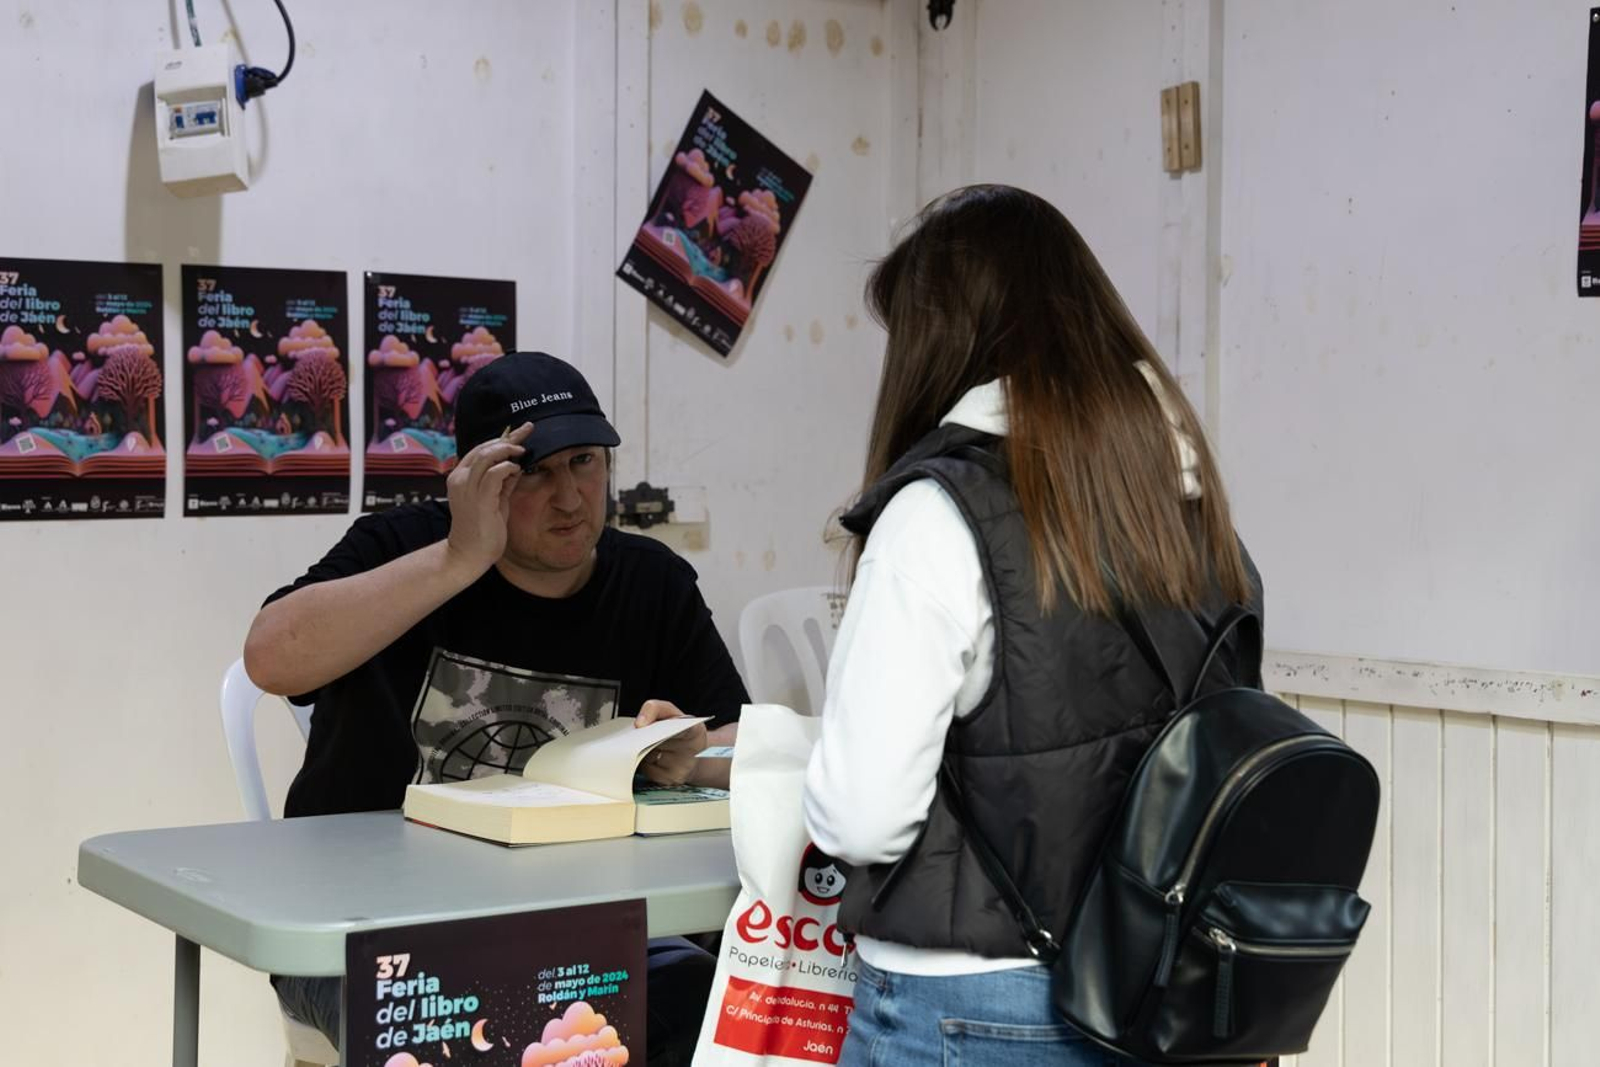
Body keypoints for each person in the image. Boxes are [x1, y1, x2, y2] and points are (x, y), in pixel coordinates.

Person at [801, 185, 1263, 1066]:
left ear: (943, 344)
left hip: (972, 1004)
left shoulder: (939, 511)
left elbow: (861, 818)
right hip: (1156, 988)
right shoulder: (1185, 499)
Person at [244, 351, 746, 1065]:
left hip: (580, 930)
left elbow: (743, 746)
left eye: (584, 462)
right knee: (456, 1040)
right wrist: (458, 557)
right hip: (372, 927)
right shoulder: (406, 546)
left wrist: (686, 753)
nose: (570, 497)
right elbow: (270, 656)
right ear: (474, 482)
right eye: (533, 472)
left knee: (721, 1003)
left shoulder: (652, 584)